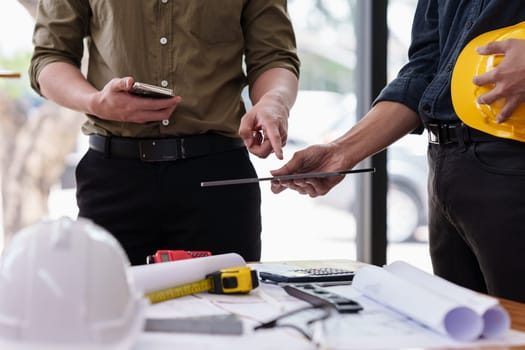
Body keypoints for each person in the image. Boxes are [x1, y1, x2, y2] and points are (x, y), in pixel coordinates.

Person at [270, 1, 525, 303]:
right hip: (447, 170)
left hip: (512, 161)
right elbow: (425, 71)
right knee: (466, 331)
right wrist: (341, 152)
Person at [29, 1, 299, 265]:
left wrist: (274, 100)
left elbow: (274, 56)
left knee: (229, 306)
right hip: (114, 179)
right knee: (107, 306)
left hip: (217, 181)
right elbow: (51, 56)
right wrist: (95, 102)